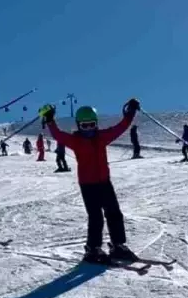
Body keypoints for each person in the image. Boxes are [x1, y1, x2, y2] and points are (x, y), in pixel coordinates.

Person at [44, 99, 140, 263]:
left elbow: (121, 127)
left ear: (96, 124)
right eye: (84, 126)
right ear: (78, 125)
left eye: (91, 125)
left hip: (104, 182)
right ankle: (93, 248)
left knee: (114, 213)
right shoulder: (76, 141)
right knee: (95, 216)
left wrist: (130, 112)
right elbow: (58, 134)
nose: (88, 129)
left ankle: (118, 245)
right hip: (88, 185)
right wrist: (50, 119)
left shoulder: (102, 137)